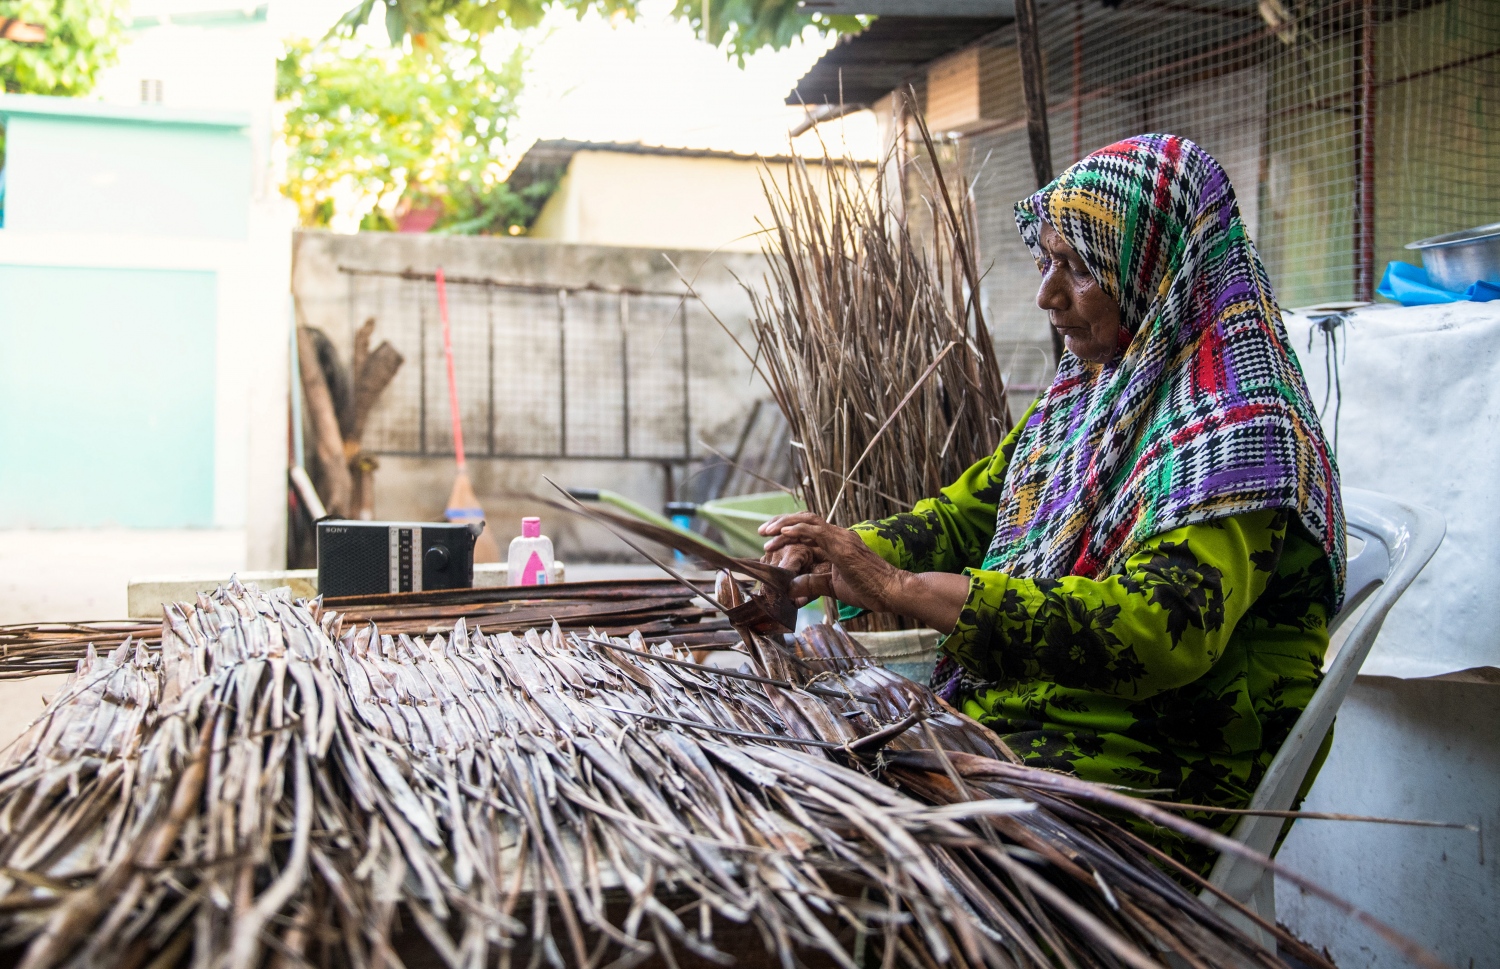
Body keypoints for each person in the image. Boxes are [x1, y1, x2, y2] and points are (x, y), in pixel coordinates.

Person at [759, 133, 1344, 875]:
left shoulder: (1240, 432)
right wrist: (835, 552)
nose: (1047, 295)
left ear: (1161, 270)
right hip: (1050, 713)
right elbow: (972, 511)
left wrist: (902, 590)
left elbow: (1154, 632)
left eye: (1080, 267)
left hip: (1159, 763)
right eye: (1048, 261)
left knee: (873, 852)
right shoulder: (1094, 392)